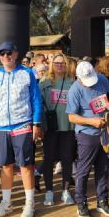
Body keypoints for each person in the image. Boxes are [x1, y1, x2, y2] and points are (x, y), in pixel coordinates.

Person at [0, 42, 43, 217]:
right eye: (2, 53)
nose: (6, 56)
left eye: (9, 53)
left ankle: (30, 202)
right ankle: (7, 202)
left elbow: (36, 99)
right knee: (5, 165)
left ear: (16, 54)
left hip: (22, 125)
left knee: (25, 165)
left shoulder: (27, 73)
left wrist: (36, 123)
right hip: (1, 127)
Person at [66, 61, 109, 217]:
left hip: (104, 132)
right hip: (86, 134)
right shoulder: (74, 90)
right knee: (83, 170)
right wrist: (91, 121)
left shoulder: (101, 79)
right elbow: (72, 116)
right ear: (78, 77)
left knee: (103, 168)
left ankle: (102, 201)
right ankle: (81, 202)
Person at [39, 53, 76, 206]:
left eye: (63, 63)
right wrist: (39, 126)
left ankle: (66, 190)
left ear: (67, 65)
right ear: (52, 65)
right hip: (50, 128)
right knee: (48, 160)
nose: (60, 65)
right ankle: (49, 191)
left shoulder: (72, 82)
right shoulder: (44, 81)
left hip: (68, 127)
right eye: (57, 63)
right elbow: (39, 104)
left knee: (67, 159)